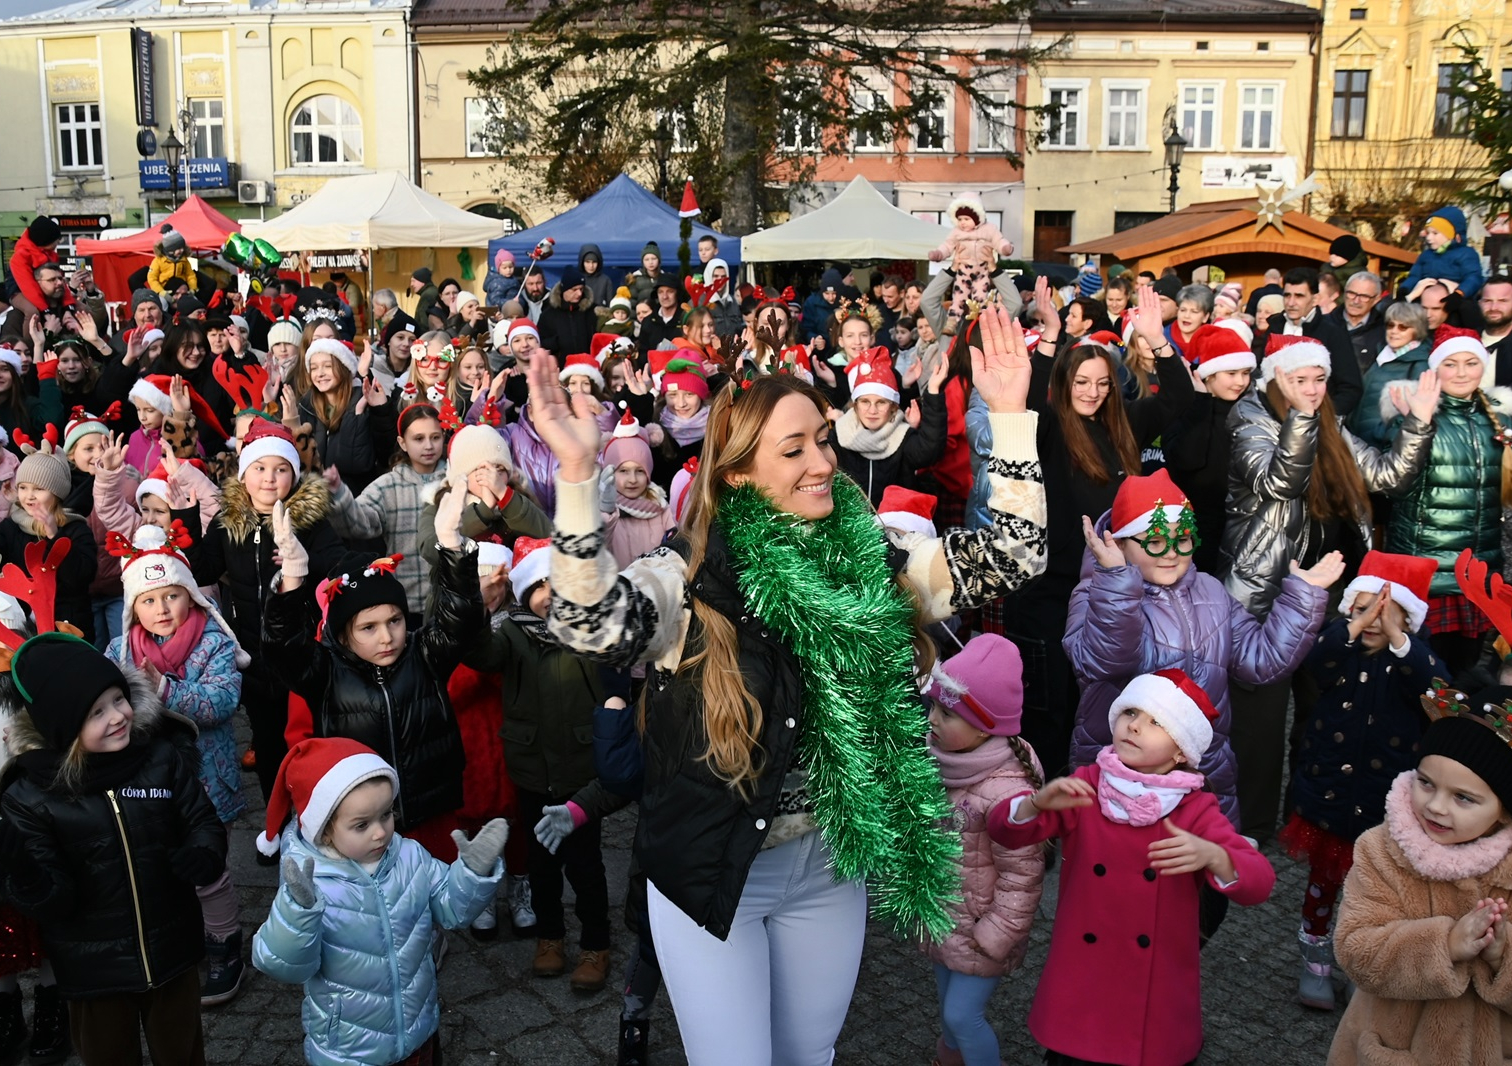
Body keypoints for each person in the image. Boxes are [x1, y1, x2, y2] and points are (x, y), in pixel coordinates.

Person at [523, 300, 1048, 1065]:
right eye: (794, 448)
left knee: (809, 1055)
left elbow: (1013, 557)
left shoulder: (872, 561)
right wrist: (577, 474)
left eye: (824, 442)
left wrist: (1009, 414)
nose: (822, 462)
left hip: (828, 866)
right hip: (712, 872)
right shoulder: (689, 576)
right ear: (737, 474)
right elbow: (587, 624)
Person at [989, 669, 1276, 1066]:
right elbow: (1004, 831)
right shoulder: (1087, 784)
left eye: (1156, 721)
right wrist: (1034, 804)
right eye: (1131, 714)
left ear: (1181, 750)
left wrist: (1215, 856)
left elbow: (1259, 882)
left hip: (1153, 999)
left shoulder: (1196, 809)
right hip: (1082, 985)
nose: (1136, 726)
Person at [1221, 337, 1440, 841]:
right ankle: (1250, 828)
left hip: (1330, 590)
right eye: (1300, 380)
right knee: (1261, 718)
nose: (1313, 390)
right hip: (1263, 592)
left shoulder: (1331, 425)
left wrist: (1419, 422)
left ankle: (1307, 814)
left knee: (1322, 705)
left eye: (1319, 379)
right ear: (1276, 379)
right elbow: (1281, 482)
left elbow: (1391, 476)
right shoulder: (1248, 421)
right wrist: (1301, 417)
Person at [989, 280, 1193, 775]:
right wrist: (1051, 336)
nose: (1093, 392)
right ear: (1065, 383)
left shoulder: (1123, 425)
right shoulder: (1052, 428)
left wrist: (1158, 340)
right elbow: (1027, 398)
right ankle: (1043, 797)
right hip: (1050, 591)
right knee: (1049, 706)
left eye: (1102, 383)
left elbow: (1182, 402)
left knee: (1103, 701)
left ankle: (1096, 792)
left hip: (1109, 589)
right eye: (1082, 382)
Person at [0, 632, 226, 1066]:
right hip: (93, 972)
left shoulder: (159, 756)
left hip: (171, 953)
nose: (118, 716)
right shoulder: (32, 797)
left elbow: (201, 820)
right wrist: (24, 875)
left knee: (182, 1053)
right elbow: (54, 901)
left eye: (118, 700)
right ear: (62, 727)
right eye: (96, 712)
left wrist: (203, 852)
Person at [1068, 469, 1333, 827]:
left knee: (1198, 864)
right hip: (1125, 772)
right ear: (1119, 544)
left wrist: (1302, 599)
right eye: (1156, 542)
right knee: (1129, 871)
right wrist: (1116, 580)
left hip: (1204, 769)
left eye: (1183, 540)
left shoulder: (1211, 591)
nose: (1172, 554)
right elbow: (1102, 662)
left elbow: (1263, 661)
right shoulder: (1095, 592)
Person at [261, 484, 483, 863]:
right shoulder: (326, 670)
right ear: (344, 633)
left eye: (395, 620)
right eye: (369, 627)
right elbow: (283, 649)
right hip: (361, 822)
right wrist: (294, 579)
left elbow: (460, 619)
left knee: (429, 908)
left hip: (430, 812)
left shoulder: (423, 654)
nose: (387, 637)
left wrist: (452, 548)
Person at [251, 739, 506, 1066]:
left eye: (386, 814)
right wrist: (298, 912)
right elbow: (284, 964)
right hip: (349, 1051)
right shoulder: (309, 884)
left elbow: (452, 909)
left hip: (417, 1031)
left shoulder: (409, 856)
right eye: (362, 824)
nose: (380, 833)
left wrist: (471, 871)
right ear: (324, 831)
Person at [1277, 551, 1439, 1012]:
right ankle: (1315, 959)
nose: (1372, 621)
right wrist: (1353, 625)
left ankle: (1361, 965)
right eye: (1363, 609)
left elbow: (1439, 692)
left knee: (1375, 891)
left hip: (1384, 801)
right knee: (1323, 883)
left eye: (1385, 613)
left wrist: (1399, 639)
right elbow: (1316, 664)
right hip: (1331, 791)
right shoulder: (1340, 649)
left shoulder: (1415, 658)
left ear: (1409, 619)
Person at [105, 523, 251, 1007]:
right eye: (149, 600)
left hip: (208, 778)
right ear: (133, 607)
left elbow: (221, 701)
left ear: (190, 595)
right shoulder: (122, 650)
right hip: (152, 782)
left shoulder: (213, 643)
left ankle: (226, 942)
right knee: (170, 864)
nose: (161, 610)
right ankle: (188, 936)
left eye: (171, 596)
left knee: (210, 869)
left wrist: (164, 689)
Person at [1327, 703, 1512, 1066]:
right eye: (1426, 783)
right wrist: (1446, 945)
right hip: (1392, 1051)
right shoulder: (1381, 851)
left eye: (1463, 797)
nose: (1437, 806)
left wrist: (1502, 955)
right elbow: (1357, 950)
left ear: (1504, 810)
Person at [188, 420, 344, 801]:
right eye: (259, 468)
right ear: (244, 475)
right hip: (251, 654)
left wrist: (306, 561)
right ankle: (277, 819)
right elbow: (203, 569)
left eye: (281, 469)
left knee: (307, 736)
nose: (269, 478)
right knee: (268, 743)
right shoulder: (228, 521)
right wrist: (185, 517)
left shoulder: (308, 520)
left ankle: (316, 808)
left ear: (293, 473)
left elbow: (337, 562)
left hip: (299, 650)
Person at [922, 634, 1045, 1066]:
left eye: (947, 713)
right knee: (947, 1013)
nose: (932, 720)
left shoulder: (1006, 793)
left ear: (984, 727)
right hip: (944, 919)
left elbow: (1024, 875)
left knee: (963, 1015)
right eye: (933, 707)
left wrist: (993, 935)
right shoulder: (939, 763)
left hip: (981, 931)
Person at [1378, 335, 1507, 676]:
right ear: (1435, 369)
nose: (1462, 373)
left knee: (1465, 671)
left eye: (1471, 363)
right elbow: (1395, 485)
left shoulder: (1501, 419)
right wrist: (1412, 424)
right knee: (1420, 670)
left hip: (1477, 570)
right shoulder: (1417, 413)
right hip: (1428, 570)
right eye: (1451, 364)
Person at [325, 403, 450, 617]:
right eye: (418, 439)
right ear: (402, 442)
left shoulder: (455, 480)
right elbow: (360, 524)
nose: (428, 445)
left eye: (435, 437)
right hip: (408, 605)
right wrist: (339, 495)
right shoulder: (387, 485)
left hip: (452, 602)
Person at [1163, 323, 1260, 573]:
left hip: (1242, 523)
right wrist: (1201, 402)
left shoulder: (1254, 411)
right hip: (1196, 523)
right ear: (1208, 375)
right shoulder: (1187, 408)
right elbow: (1186, 461)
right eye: (1231, 373)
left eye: (1245, 373)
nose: (1240, 381)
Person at [0, 444, 97, 642]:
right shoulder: (12, 527)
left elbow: (82, 576)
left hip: (68, 627)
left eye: (39, 488)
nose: (29, 495)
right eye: (23, 488)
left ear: (57, 493)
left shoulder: (75, 528)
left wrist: (54, 535)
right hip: (23, 630)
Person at [831, 349, 948, 506]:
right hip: (849, 527)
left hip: (894, 526)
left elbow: (931, 450)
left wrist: (933, 391)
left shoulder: (903, 437)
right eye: (865, 401)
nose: (872, 410)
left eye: (881, 402)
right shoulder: (838, 435)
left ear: (893, 407)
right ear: (855, 405)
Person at [1255, 267, 1363, 417]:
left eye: (1299, 296)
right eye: (1287, 295)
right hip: (1270, 418)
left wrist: (1321, 419)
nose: (1291, 302)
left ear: (1315, 299)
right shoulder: (1274, 326)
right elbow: (1261, 373)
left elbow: (1350, 388)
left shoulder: (1333, 333)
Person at [599, 409, 678, 570]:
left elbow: (677, 543)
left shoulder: (661, 507)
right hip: (621, 589)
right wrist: (605, 513)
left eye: (640, 471)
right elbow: (599, 545)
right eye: (623, 471)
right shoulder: (607, 512)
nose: (633, 479)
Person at [1400, 205, 1485, 301]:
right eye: (1428, 233)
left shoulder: (1466, 254)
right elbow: (1415, 276)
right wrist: (1405, 288)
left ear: (1453, 235)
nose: (1429, 238)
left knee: (1468, 310)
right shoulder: (1426, 255)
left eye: (1435, 233)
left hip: (1455, 299)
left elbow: (1473, 277)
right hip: (1426, 300)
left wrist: (1460, 293)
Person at [1327, 271, 1388, 375]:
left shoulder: (1384, 331)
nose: (1356, 301)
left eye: (1364, 296)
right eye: (1351, 293)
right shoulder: (1324, 324)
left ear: (1376, 299)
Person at [1478, 275, 1512, 386]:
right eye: (1487, 301)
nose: (1493, 307)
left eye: (1502, 301)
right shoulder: (1466, 340)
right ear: (1480, 303)